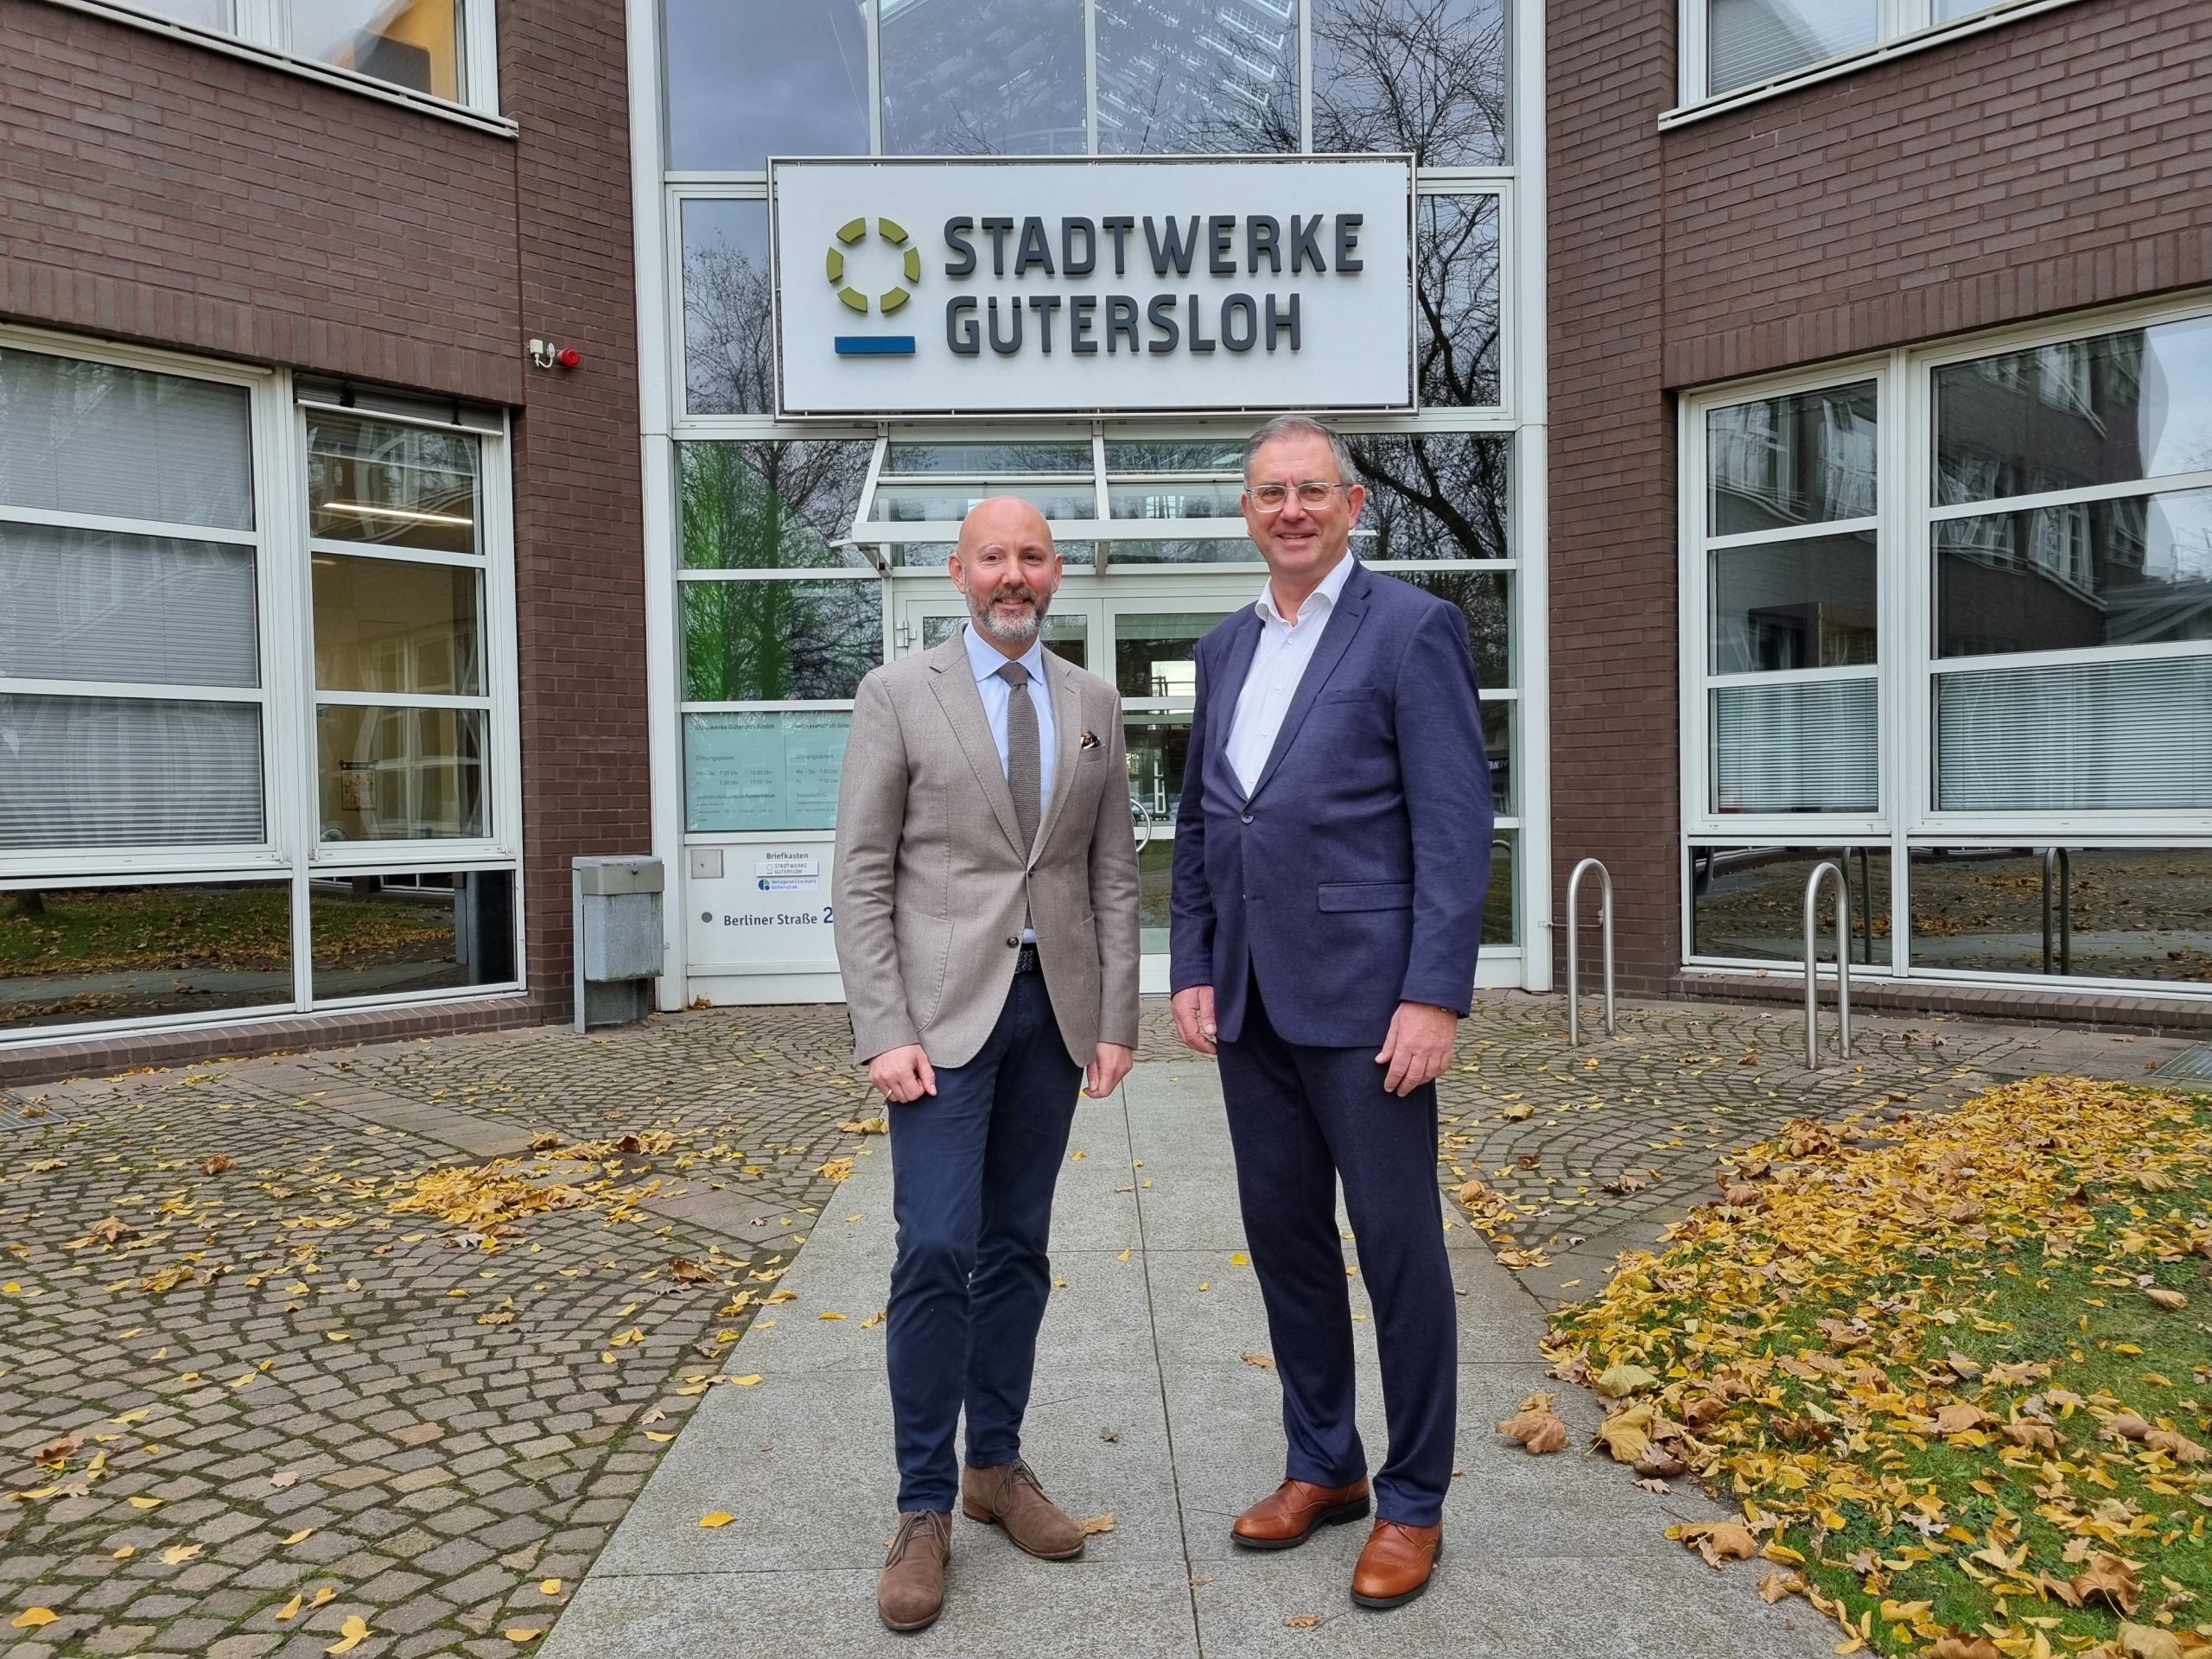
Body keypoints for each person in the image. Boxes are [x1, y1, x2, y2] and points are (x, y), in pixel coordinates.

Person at [1167, 414, 1492, 1609]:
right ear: (1247, 514)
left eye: (1312, 490)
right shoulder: (1224, 648)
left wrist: (1434, 994)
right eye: (1269, 493)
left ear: (1353, 505)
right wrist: (1193, 963)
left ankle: (1414, 1501)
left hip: (1372, 1010)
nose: (1290, 509)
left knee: (1399, 1252)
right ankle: (1325, 1465)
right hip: (1251, 1006)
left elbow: (1456, 829)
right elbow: (1208, 823)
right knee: (1288, 1244)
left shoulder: (1413, 630)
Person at [833, 496, 1141, 1634]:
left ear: (1055, 572)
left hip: (1051, 1021)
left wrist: (1117, 1018)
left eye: (1032, 557)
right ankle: (923, 1505)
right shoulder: (896, 697)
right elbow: (862, 876)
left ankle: (996, 1465)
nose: (1014, 575)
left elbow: (1109, 875)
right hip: (939, 1027)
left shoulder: (1093, 704)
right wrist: (883, 1027)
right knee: (938, 1251)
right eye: (992, 558)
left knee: (1018, 1248)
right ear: (959, 572)